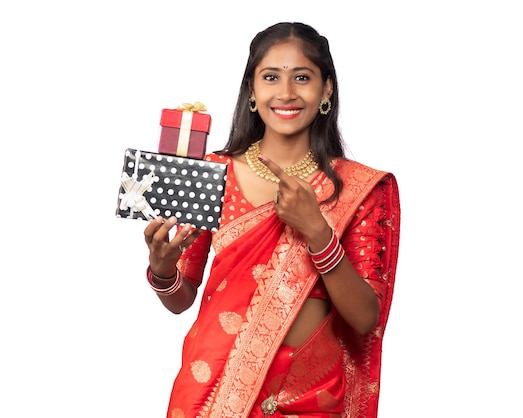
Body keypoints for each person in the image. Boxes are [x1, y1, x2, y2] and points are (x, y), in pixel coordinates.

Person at [143, 22, 401, 418]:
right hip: (215, 391)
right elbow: (182, 298)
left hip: (311, 398)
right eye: (270, 78)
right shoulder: (214, 174)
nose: (286, 93)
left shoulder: (357, 188)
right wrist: (161, 271)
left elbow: (366, 318)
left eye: (302, 77)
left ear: (326, 89)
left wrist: (317, 231)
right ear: (252, 90)